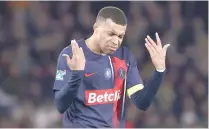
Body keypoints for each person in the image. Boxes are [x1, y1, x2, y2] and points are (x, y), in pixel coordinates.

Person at [53, 6, 170, 128]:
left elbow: (142, 102)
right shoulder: (71, 54)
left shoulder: (125, 57)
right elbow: (61, 105)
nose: (116, 41)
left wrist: (159, 71)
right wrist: (77, 74)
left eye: (120, 36)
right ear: (96, 28)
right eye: (111, 34)